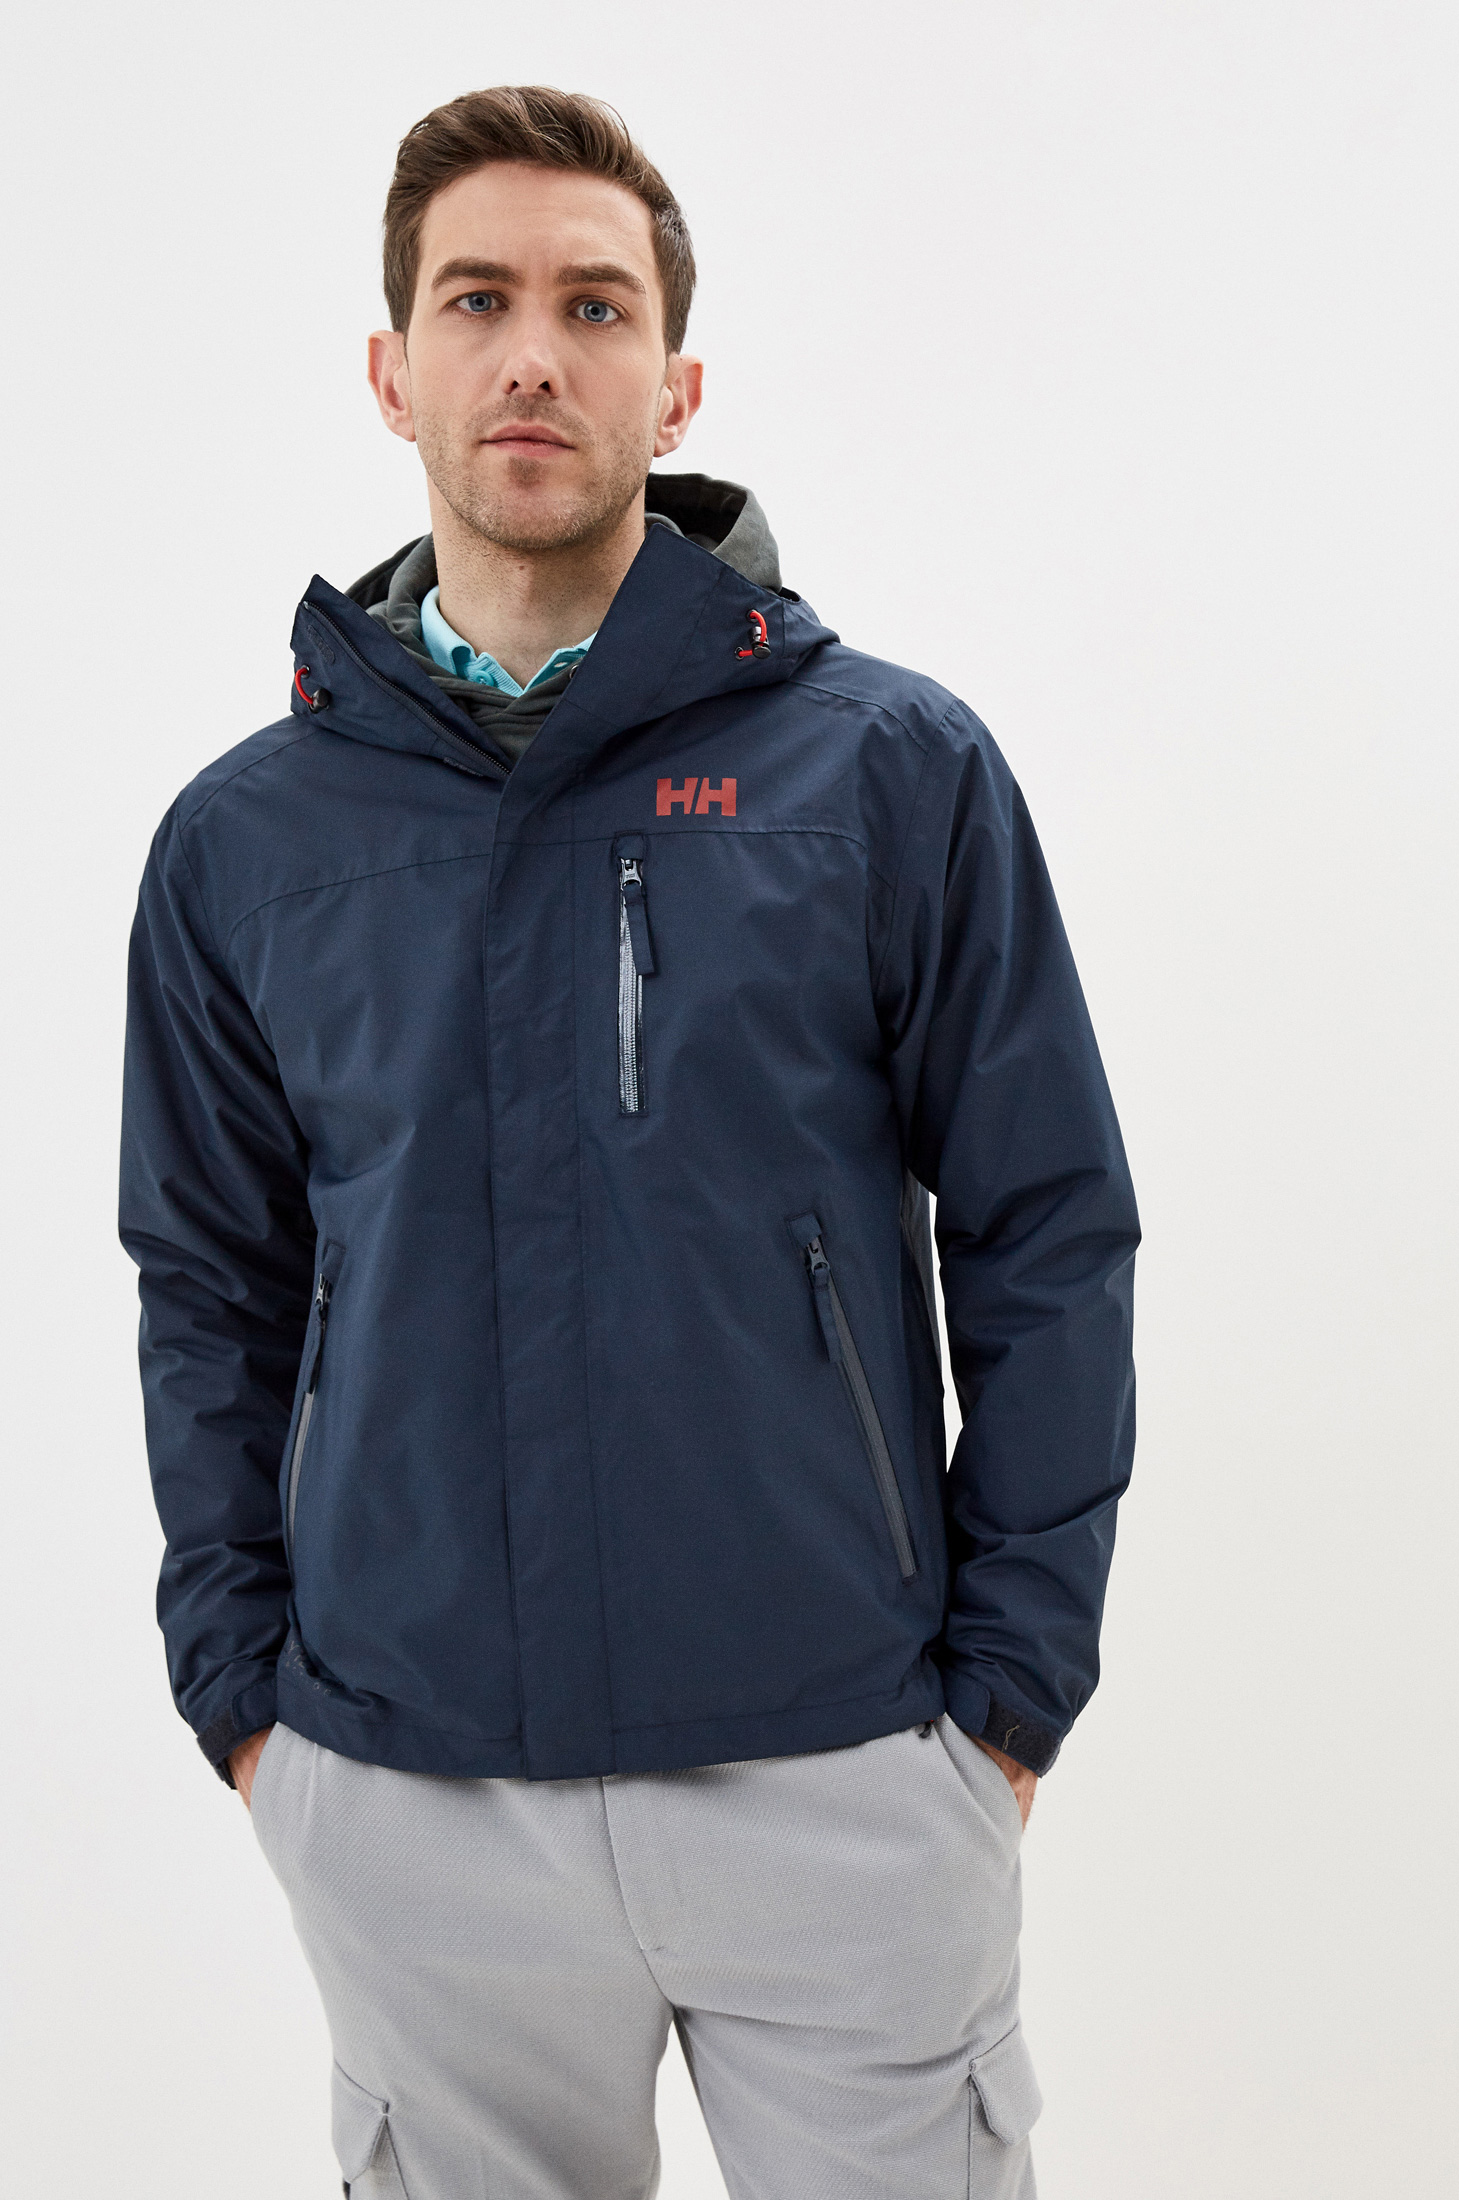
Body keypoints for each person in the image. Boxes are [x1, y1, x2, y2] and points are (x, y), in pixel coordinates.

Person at [119, 82, 1139, 2200]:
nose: (533, 354)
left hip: (843, 1767)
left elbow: (1046, 1229)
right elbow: (209, 1282)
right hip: (415, 1794)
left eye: (594, 307)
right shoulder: (245, 843)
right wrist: (248, 1702)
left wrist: (1008, 1700)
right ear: (391, 368)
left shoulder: (887, 770)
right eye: (476, 300)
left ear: (674, 386)